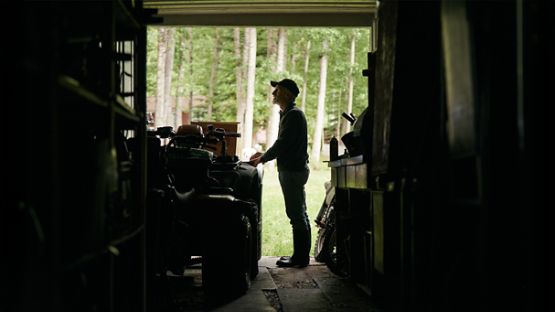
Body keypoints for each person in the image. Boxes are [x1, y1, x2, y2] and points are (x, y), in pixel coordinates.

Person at [250, 79, 311, 268]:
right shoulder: (290, 114)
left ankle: (300, 258)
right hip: (295, 169)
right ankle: (301, 257)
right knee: (300, 213)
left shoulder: (293, 115)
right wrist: (264, 155)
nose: (273, 94)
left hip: (292, 171)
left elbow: (282, 144)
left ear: (285, 93)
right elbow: (284, 143)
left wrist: (262, 158)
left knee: (296, 214)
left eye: (276, 90)